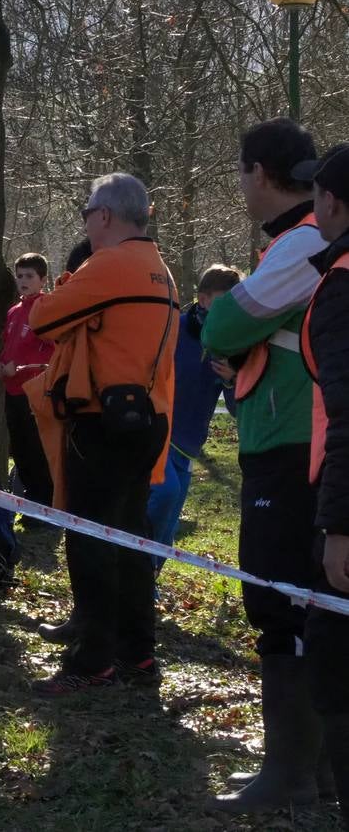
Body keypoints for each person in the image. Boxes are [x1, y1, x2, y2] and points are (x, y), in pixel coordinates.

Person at [201, 119, 327, 811]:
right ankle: (319, 768)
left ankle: (289, 775)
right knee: (312, 604)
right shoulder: (310, 241)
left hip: (289, 442)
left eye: (242, 173)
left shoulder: (303, 244)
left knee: (281, 604)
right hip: (296, 437)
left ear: (259, 173)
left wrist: (238, 338)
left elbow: (223, 324)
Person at [24, 173, 178, 697]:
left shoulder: (109, 265)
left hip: (102, 420)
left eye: (88, 212)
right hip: (149, 419)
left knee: (89, 539)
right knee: (132, 537)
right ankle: (137, 652)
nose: (86, 222)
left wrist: (67, 283)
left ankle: (91, 660)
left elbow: (42, 320)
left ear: (106, 216)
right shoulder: (162, 270)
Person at [294, 142, 349, 828]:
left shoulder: (340, 285)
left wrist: (339, 526)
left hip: (344, 507)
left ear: (331, 203)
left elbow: (347, 413)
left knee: (336, 680)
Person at [145, 265, 241, 574]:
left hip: (189, 443)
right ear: (202, 299)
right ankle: (135, 566)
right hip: (156, 428)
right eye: (223, 301)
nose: (230, 309)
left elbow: (239, 409)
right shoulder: (174, 328)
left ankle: (149, 579)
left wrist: (232, 380)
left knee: (170, 517)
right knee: (165, 492)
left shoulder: (231, 342)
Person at [0, 253, 55, 511]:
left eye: (29, 276)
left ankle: (45, 504)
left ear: (42, 279)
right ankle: (32, 499)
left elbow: (54, 351)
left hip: (35, 391)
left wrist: (20, 367)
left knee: (36, 449)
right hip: (13, 390)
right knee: (19, 449)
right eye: (19, 276)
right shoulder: (14, 311)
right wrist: (0, 364)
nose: (23, 281)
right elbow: (10, 346)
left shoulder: (47, 308)